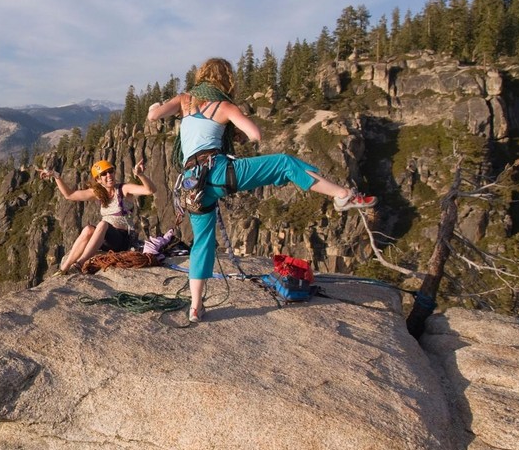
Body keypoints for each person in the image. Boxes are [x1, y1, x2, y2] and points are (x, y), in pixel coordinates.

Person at [147, 57, 376, 323]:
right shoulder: (224, 106)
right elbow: (255, 135)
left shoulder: (184, 100)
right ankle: (341, 194)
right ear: (225, 80)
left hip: (191, 184)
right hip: (220, 172)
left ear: (201, 77)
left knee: (202, 243)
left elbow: (153, 115)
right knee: (284, 163)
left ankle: (195, 307)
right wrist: (231, 127)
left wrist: (156, 106)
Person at [40, 159, 156, 274]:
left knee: (103, 224)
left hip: (122, 240)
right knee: (88, 229)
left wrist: (140, 175)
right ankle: (64, 268)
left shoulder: (123, 189)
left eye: (111, 171)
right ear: (98, 180)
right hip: (106, 240)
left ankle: (80, 264)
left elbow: (150, 190)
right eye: (104, 174)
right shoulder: (99, 193)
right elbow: (69, 195)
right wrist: (56, 176)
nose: (109, 175)